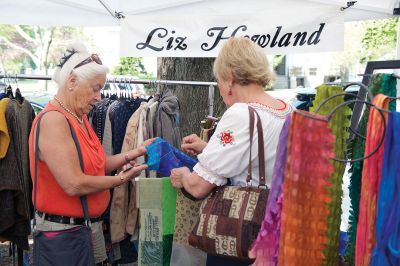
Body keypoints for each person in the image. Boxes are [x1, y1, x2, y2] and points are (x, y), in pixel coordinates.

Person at [170, 37, 293, 265]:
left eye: (218, 81)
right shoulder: (287, 110)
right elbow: (262, 156)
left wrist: (183, 176)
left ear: (229, 79)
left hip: (242, 230)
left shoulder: (241, 113)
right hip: (277, 230)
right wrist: (208, 149)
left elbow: (198, 187)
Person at [28, 42, 151, 265]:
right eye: (95, 88)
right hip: (64, 234)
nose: (99, 97)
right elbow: (73, 184)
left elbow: (97, 165)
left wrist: (135, 153)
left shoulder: (79, 117)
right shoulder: (54, 120)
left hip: (82, 228)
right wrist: (121, 179)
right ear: (72, 81)